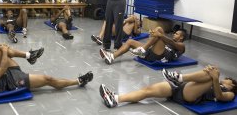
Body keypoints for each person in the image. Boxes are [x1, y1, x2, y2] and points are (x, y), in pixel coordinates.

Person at [0, 44, 93, 93]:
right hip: (13, 82)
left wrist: (0, 50)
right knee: (48, 79)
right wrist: (5, 52)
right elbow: (2, 68)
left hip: (5, 74)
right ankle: (79, 81)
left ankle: (30, 55)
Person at [100, 66, 237, 108]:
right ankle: (116, 99)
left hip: (189, 95)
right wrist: (211, 73)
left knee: (214, 73)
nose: (226, 80)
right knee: (147, 91)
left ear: (233, 86)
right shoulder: (214, 80)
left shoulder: (230, 94)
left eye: (229, 80)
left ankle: (179, 77)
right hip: (179, 87)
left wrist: (215, 77)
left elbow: (219, 96)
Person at [99, 26, 186, 64]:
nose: (174, 34)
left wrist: (159, 35)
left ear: (181, 38)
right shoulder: (169, 40)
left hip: (160, 56)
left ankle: (143, 50)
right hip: (153, 51)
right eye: (175, 33)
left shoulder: (182, 46)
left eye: (177, 34)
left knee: (159, 31)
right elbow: (166, 40)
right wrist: (153, 34)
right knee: (129, 41)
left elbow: (172, 43)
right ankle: (112, 57)